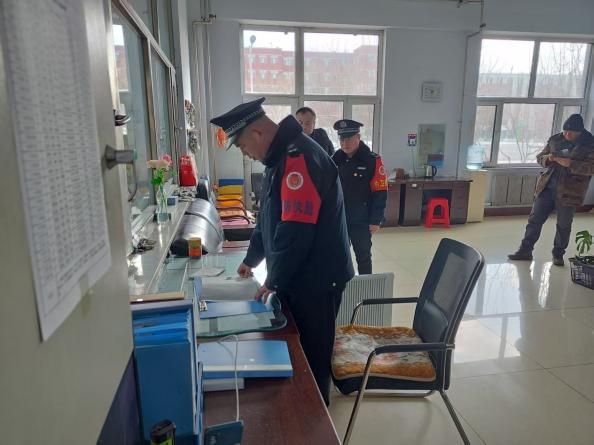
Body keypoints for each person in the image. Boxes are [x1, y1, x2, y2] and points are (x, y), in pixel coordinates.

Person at [210, 97, 354, 405]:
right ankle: (305, 407)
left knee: (312, 356)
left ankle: (316, 416)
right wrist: (252, 258)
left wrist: (273, 280)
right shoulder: (279, 158)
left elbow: (295, 232)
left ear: (258, 133)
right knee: (298, 349)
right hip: (302, 273)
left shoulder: (297, 159)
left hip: (317, 280)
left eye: (242, 146)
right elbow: (268, 216)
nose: (245, 153)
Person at [508, 114, 594, 266]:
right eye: (565, 131)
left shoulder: (590, 144)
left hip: (570, 192)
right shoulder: (556, 139)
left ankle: (558, 254)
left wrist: (571, 164)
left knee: (563, 225)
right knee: (534, 220)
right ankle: (525, 250)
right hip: (547, 187)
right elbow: (540, 157)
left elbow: (591, 168)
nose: (567, 135)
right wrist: (548, 158)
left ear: (580, 132)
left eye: (571, 133)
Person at [332, 119, 388, 274]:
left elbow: (380, 192)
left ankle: (366, 287)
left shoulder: (372, 160)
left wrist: (376, 220)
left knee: (363, 257)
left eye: (349, 138)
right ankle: (342, 286)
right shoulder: (335, 159)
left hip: (361, 220)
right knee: (339, 256)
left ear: (358, 137)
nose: (345, 143)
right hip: (340, 219)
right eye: (342, 139)